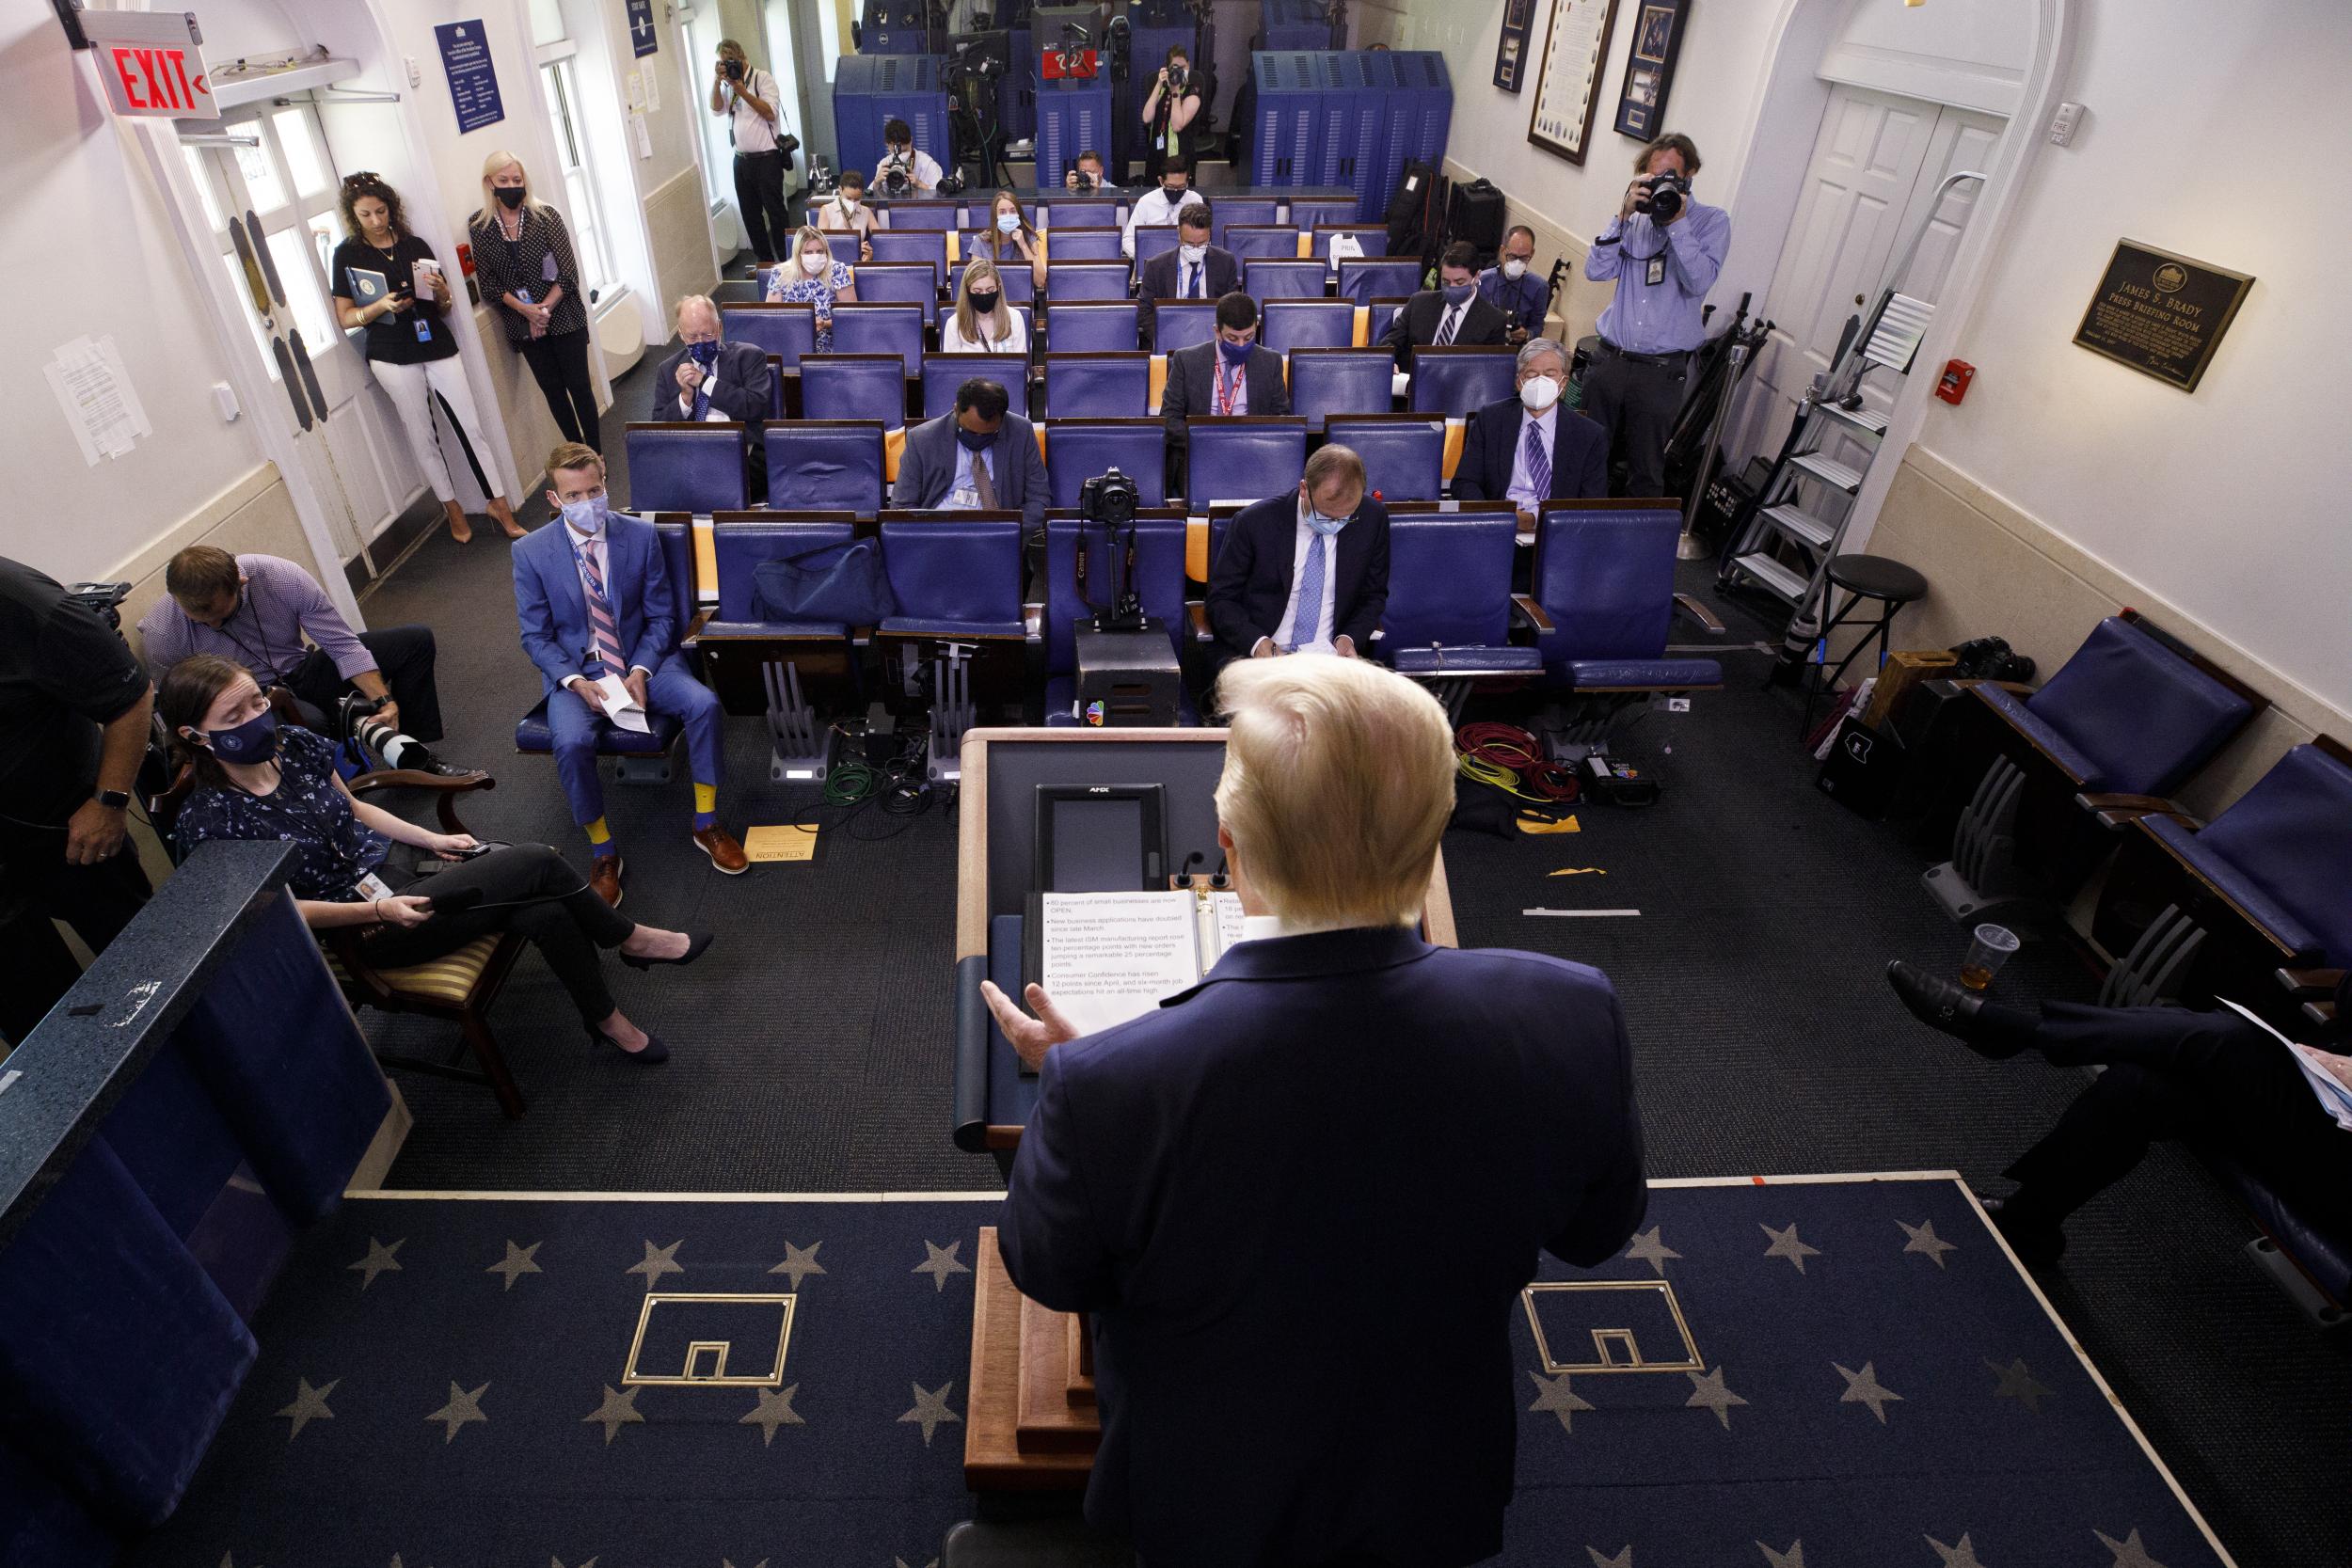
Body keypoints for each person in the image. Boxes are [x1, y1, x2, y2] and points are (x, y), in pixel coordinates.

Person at [983, 654, 1646, 1566]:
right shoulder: (1572, 1011)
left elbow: (1050, 1269)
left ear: (1229, 845)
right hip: (1433, 1480)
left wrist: (1083, 1080)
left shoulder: (1105, 1083)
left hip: (1214, 1501)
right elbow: (1595, 1231)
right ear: (1439, 825)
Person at [162, 656, 706, 1065]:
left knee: (543, 911)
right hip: (360, 929)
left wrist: (431, 840)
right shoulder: (209, 822)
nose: (258, 716)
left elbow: (353, 807)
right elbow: (272, 911)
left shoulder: (296, 744)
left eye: (258, 701)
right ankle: (630, 939)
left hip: (395, 878)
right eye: (236, 714)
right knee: (538, 861)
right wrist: (378, 913)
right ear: (194, 735)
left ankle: (606, 1020)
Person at [1888, 962, 2352, 1268]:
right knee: (2138, 1087)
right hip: (2322, 1104)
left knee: (2229, 1039)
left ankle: (2011, 1030)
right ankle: (2029, 1224)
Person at [514, 444, 746, 906]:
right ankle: (603, 851)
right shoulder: (530, 552)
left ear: (606, 485)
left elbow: (662, 617)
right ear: (554, 499)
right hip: (578, 673)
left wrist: (640, 669)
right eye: (574, 494)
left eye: (594, 490)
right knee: (572, 742)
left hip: (644, 659)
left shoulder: (640, 536)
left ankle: (706, 822)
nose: (587, 501)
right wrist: (578, 683)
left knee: (704, 705)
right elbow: (536, 638)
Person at [0, 558, 154, 1045]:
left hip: (70, 835)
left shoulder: (19, 600)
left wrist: (109, 802)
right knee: (37, 1028)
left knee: (146, 975)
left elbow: (131, 696)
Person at [329, 173, 522, 544]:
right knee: (423, 434)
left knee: (470, 427)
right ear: (354, 216)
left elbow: (445, 304)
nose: (375, 221)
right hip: (390, 353)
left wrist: (443, 292)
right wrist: (378, 307)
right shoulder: (347, 254)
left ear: (391, 208)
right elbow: (345, 317)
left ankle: (498, 504)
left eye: (381, 211)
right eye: (366, 215)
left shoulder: (414, 244)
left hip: (434, 341)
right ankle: (452, 508)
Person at [137, 547, 457, 765]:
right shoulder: (163, 632)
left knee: (415, 640)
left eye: (223, 614)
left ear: (241, 581)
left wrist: (383, 701)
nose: (214, 625)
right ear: (178, 601)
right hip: (255, 698)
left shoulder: (282, 577)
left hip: (302, 668)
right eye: (202, 620)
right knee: (310, 721)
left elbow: (342, 644)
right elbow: (183, 708)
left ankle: (412, 753)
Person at [1581, 132, 1732, 499]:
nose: (1660, 183)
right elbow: (1596, 271)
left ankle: (1631, 550)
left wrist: (1677, 224)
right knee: (1587, 457)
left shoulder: (1712, 222)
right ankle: (1579, 540)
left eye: (1669, 175)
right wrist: (1622, 216)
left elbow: (1698, 282)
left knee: (1646, 470)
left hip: (1660, 372)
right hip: (1610, 360)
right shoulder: (1634, 219)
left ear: (1690, 175)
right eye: (1652, 176)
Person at [1204, 444, 1389, 677]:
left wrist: (1349, 638)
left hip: (1331, 661)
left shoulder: (1373, 519)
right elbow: (1221, 600)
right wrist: (1259, 642)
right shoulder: (1254, 523)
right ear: (1304, 489)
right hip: (1261, 657)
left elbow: (1373, 595)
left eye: (1345, 519)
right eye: (1325, 516)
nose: (1333, 525)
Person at [469, 152, 599, 453]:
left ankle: (597, 453)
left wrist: (543, 310)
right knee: (553, 392)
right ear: (490, 183)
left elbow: (567, 274)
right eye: (504, 180)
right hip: (523, 323)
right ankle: (578, 453)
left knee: (579, 388)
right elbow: (487, 284)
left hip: (564, 316)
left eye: (517, 179)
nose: (512, 185)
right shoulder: (480, 227)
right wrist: (525, 310)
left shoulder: (546, 217)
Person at [1451, 338, 1610, 527]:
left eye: (1549, 374)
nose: (1540, 381)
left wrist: (1537, 520)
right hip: (1498, 525)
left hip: (1556, 530)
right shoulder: (1491, 419)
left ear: (1563, 383)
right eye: (1532, 374)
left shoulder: (1589, 435)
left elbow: (1591, 504)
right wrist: (1497, 517)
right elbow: (1464, 482)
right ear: (1519, 382)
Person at [891, 379, 1049, 549]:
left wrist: (1009, 533)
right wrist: (930, 538)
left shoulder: (1020, 431)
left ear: (1001, 420)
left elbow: (1039, 497)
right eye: (971, 432)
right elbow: (902, 506)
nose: (978, 439)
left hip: (998, 538)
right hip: (938, 536)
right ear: (956, 410)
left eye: (988, 434)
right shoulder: (922, 438)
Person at [1161, 292, 1287, 499]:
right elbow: (1169, 420)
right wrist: (1209, 441)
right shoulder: (1187, 361)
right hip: (1201, 455)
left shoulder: (1270, 362)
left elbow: (1281, 418)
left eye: (1248, 338)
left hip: (1252, 456)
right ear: (1217, 332)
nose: (1240, 345)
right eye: (1232, 338)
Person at [649, 294, 775, 499]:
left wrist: (704, 382)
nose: (700, 342)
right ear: (681, 334)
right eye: (692, 337)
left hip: (741, 452)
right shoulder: (668, 369)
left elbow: (755, 405)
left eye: (707, 335)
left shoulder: (749, 357)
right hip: (692, 454)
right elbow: (658, 429)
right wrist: (685, 398)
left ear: (719, 328)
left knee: (716, 485)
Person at [711, 38, 795, 271]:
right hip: (741, 161)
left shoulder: (762, 78)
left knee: (776, 213)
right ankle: (765, 263)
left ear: (742, 57)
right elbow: (716, 108)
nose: (729, 67)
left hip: (767, 159)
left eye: (731, 62)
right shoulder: (727, 84)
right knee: (750, 215)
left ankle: (787, 262)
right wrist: (717, 82)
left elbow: (770, 113)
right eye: (723, 63)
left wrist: (742, 91)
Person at [1382, 240, 1509, 373]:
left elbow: (1490, 372)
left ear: (1477, 276)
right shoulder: (1419, 303)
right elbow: (1390, 343)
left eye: (1459, 282)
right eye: (1446, 282)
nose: (1452, 287)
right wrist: (1388, 362)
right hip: (1411, 385)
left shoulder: (1493, 321)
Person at [1136, 203, 1237, 349]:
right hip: (1170, 341)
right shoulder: (1156, 266)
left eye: (1202, 244)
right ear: (1179, 234)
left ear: (1210, 234)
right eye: (1189, 244)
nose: (1195, 249)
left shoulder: (1225, 262)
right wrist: (1167, 338)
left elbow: (1232, 309)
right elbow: (1144, 311)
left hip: (1212, 341)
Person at [765, 226, 858, 351]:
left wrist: (824, 324)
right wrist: (803, 326)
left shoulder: (837, 271)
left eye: (820, 251)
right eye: (808, 252)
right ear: (798, 254)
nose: (815, 256)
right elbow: (772, 319)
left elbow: (851, 316)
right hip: (792, 343)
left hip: (830, 344)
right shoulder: (780, 274)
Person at [937, 257, 1029, 355]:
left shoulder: (1015, 318)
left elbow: (1020, 366)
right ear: (967, 291)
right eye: (977, 291)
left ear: (998, 288)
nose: (984, 295)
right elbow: (951, 369)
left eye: (990, 290)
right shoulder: (954, 324)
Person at [1120, 155, 1206, 261]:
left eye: (1181, 187)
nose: (1176, 191)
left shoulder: (1195, 201)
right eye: (1170, 186)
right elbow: (1128, 240)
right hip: (1151, 261)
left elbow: (1203, 238)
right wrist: (1144, 258)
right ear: (1161, 181)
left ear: (1188, 182)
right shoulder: (1146, 202)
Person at [1139, 43, 1204, 182]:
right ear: (1168, 69)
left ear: (1189, 65)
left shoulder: (1193, 91)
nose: (1179, 71)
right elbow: (1146, 118)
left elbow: (1177, 125)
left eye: (1183, 68)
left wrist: (1175, 92)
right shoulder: (1162, 89)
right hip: (1157, 155)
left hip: (1180, 158)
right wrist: (1158, 84)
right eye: (1175, 68)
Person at [1477, 225, 1548, 346]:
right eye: (1512, 257)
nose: (1517, 263)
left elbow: (1537, 326)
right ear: (1502, 251)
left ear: (1532, 253)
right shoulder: (1482, 281)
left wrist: (1527, 334)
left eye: (1524, 258)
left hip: (1516, 351)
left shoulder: (1539, 287)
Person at [965, 189, 1047, 293]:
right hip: (990, 299)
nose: (1008, 216)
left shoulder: (1028, 238)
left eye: (1012, 211)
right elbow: (973, 282)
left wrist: (1024, 246)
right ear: (995, 216)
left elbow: (1040, 281)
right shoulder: (981, 241)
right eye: (1002, 212)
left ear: (1018, 214)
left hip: (1020, 299)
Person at [813, 166, 878, 262]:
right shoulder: (826, 210)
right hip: (833, 261)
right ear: (840, 190)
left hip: (858, 262)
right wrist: (853, 247)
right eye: (848, 198)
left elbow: (881, 239)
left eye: (857, 199)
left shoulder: (866, 211)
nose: (852, 202)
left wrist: (871, 254)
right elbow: (822, 244)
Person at [874, 117, 943, 196]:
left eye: (905, 151)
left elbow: (940, 193)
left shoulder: (927, 163)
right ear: (887, 145)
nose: (901, 156)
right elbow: (875, 199)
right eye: (897, 152)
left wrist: (919, 184)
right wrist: (877, 183)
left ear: (911, 141)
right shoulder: (885, 164)